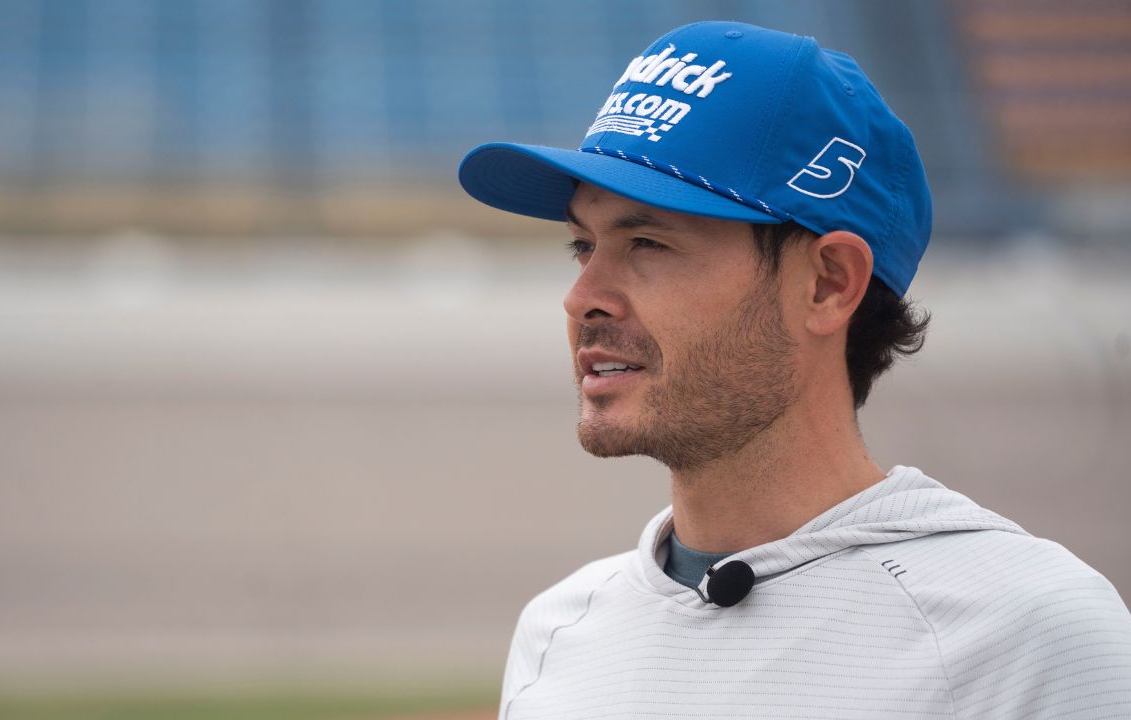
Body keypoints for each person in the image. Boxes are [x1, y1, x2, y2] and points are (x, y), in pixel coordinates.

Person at [457, 20, 1131, 720]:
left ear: (828, 284)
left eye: (648, 242)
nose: (582, 297)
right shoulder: (559, 631)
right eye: (582, 245)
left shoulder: (1028, 636)